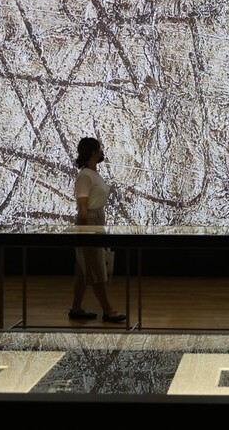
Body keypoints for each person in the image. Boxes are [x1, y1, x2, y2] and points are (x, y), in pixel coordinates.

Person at [68, 137, 127, 324]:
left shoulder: (93, 173)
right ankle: (108, 310)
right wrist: (86, 232)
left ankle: (76, 308)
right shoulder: (85, 175)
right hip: (89, 222)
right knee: (96, 268)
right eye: (99, 149)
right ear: (93, 152)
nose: (102, 153)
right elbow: (83, 206)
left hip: (96, 220)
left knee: (84, 270)